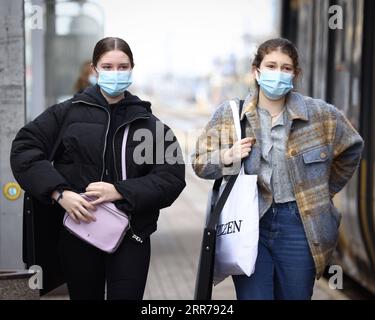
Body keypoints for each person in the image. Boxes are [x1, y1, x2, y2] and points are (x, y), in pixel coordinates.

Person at [10, 37, 186, 300]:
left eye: (122, 67)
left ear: (132, 68)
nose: (115, 73)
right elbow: (24, 150)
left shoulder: (149, 125)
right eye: (108, 66)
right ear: (94, 69)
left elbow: (171, 177)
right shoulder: (66, 114)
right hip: (79, 232)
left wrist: (120, 191)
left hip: (132, 236)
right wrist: (59, 193)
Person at [192, 38, 364, 300]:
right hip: (249, 225)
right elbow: (199, 163)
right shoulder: (230, 115)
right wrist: (227, 155)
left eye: (286, 68)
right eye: (271, 65)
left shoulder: (321, 115)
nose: (279, 73)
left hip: (300, 227)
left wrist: (320, 191)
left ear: (295, 74)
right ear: (256, 71)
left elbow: (352, 147)